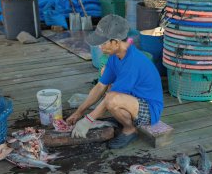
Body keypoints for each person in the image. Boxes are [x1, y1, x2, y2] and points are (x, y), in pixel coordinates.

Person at [66, 14, 164, 149]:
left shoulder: (132, 62)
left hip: (150, 109)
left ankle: (130, 130)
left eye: (103, 43)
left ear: (116, 42)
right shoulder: (115, 55)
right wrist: (79, 112)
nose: (100, 47)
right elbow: (100, 86)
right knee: (105, 79)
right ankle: (124, 117)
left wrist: (87, 121)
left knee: (112, 99)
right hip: (133, 98)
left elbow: (110, 97)